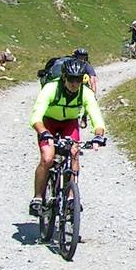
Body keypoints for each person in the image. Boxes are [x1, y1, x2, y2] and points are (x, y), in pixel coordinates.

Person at [28, 58, 106, 216]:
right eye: (71, 79)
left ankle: (71, 199)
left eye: (78, 79)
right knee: (47, 158)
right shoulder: (51, 88)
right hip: (48, 123)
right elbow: (36, 117)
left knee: (74, 153)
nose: (74, 83)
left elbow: (96, 116)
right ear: (64, 77)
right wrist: (43, 132)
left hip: (69, 123)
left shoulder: (85, 92)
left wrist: (98, 136)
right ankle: (37, 198)